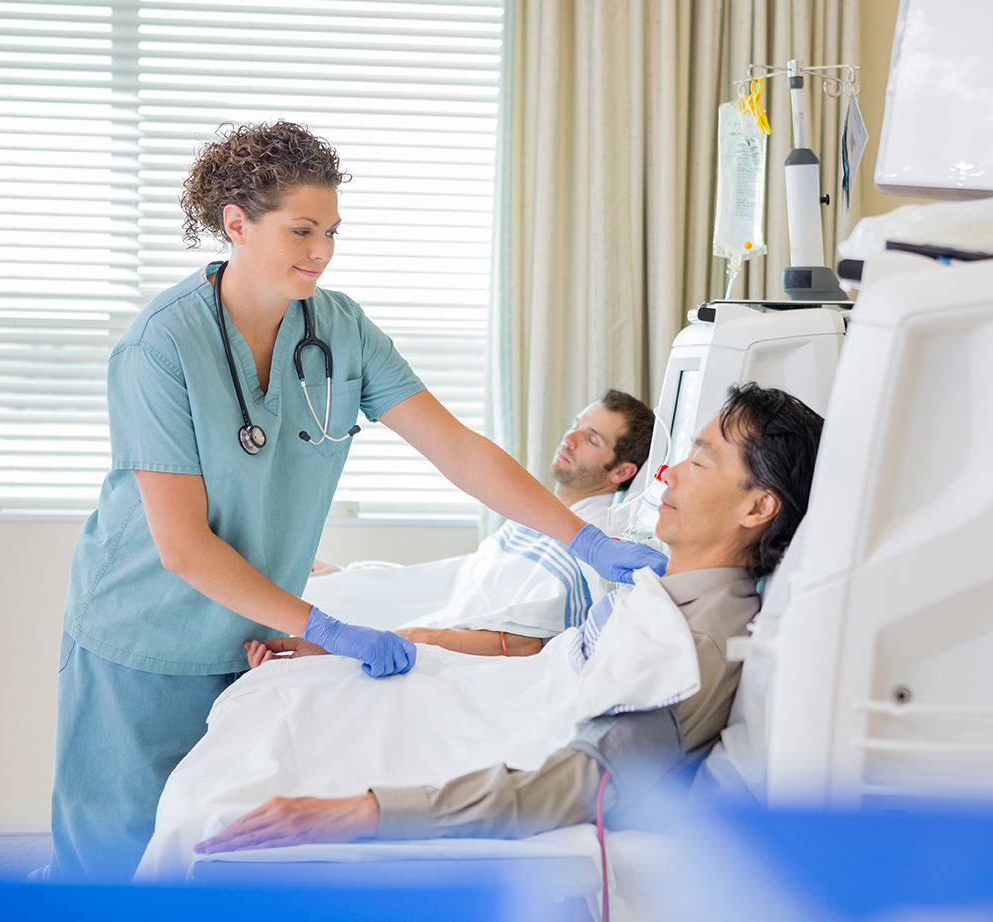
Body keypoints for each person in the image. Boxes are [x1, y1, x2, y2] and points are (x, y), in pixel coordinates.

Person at [45, 121, 664, 883]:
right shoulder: (160, 348)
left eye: (332, 231)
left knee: (200, 853)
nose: (323, 251)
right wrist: (326, 626)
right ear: (236, 224)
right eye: (302, 230)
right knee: (106, 868)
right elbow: (182, 547)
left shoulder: (338, 329)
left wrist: (584, 540)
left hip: (247, 627)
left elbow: (460, 453)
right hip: (140, 635)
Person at [193, 383, 823, 854]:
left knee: (228, 791)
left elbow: (581, 783)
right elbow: (543, 663)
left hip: (494, 740)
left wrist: (368, 813)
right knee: (280, 699)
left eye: (701, 461)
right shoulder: (661, 588)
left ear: (758, 507)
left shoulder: (696, 644)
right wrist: (342, 649)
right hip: (487, 700)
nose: (667, 473)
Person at [290, 390, 656, 659]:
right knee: (316, 588)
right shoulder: (535, 513)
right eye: (578, 425)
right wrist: (357, 576)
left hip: (439, 634)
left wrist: (411, 636)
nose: (570, 438)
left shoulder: (596, 545)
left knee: (298, 636)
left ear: (622, 472)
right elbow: (466, 579)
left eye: (592, 439)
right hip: (435, 608)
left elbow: (523, 641)